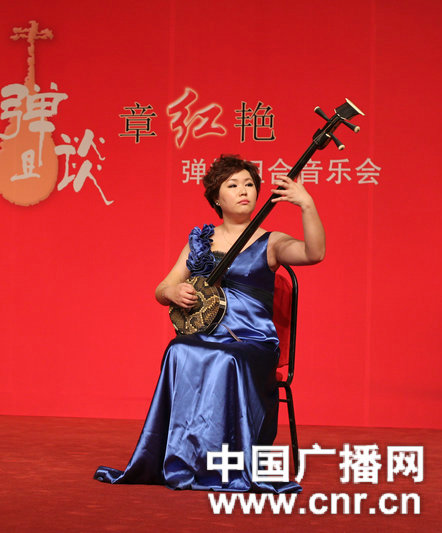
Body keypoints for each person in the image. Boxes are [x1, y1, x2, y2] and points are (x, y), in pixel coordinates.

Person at [94, 155, 324, 492]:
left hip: (253, 343)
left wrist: (307, 205)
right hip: (210, 335)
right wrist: (173, 291)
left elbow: (314, 253)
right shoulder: (200, 241)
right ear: (216, 198)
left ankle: (229, 465)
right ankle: (182, 459)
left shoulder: (271, 242)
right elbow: (161, 289)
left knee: (227, 358)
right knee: (178, 349)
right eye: (233, 185)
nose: (243, 191)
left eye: (249, 184)